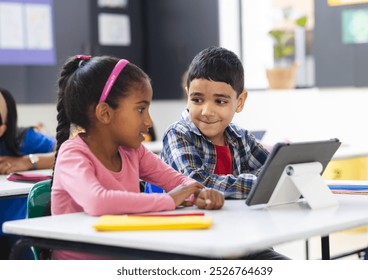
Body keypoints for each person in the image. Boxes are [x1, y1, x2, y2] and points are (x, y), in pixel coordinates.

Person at [51, 55, 224, 260]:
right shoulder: (73, 154)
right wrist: (168, 199)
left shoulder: (133, 151)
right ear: (105, 113)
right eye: (141, 109)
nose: (149, 121)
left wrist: (201, 193)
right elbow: (98, 201)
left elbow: (178, 181)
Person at [160, 46, 289, 260]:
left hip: (244, 242)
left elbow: (277, 172)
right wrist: (259, 184)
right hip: (194, 247)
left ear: (240, 102)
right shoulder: (178, 134)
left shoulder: (241, 137)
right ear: (187, 95)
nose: (207, 111)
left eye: (220, 101)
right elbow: (196, 182)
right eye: (197, 99)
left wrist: (269, 180)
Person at [0, 87, 56, 259]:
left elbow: (69, 152)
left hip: (14, 233)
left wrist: (28, 161)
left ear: (2, 128)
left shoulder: (24, 139)